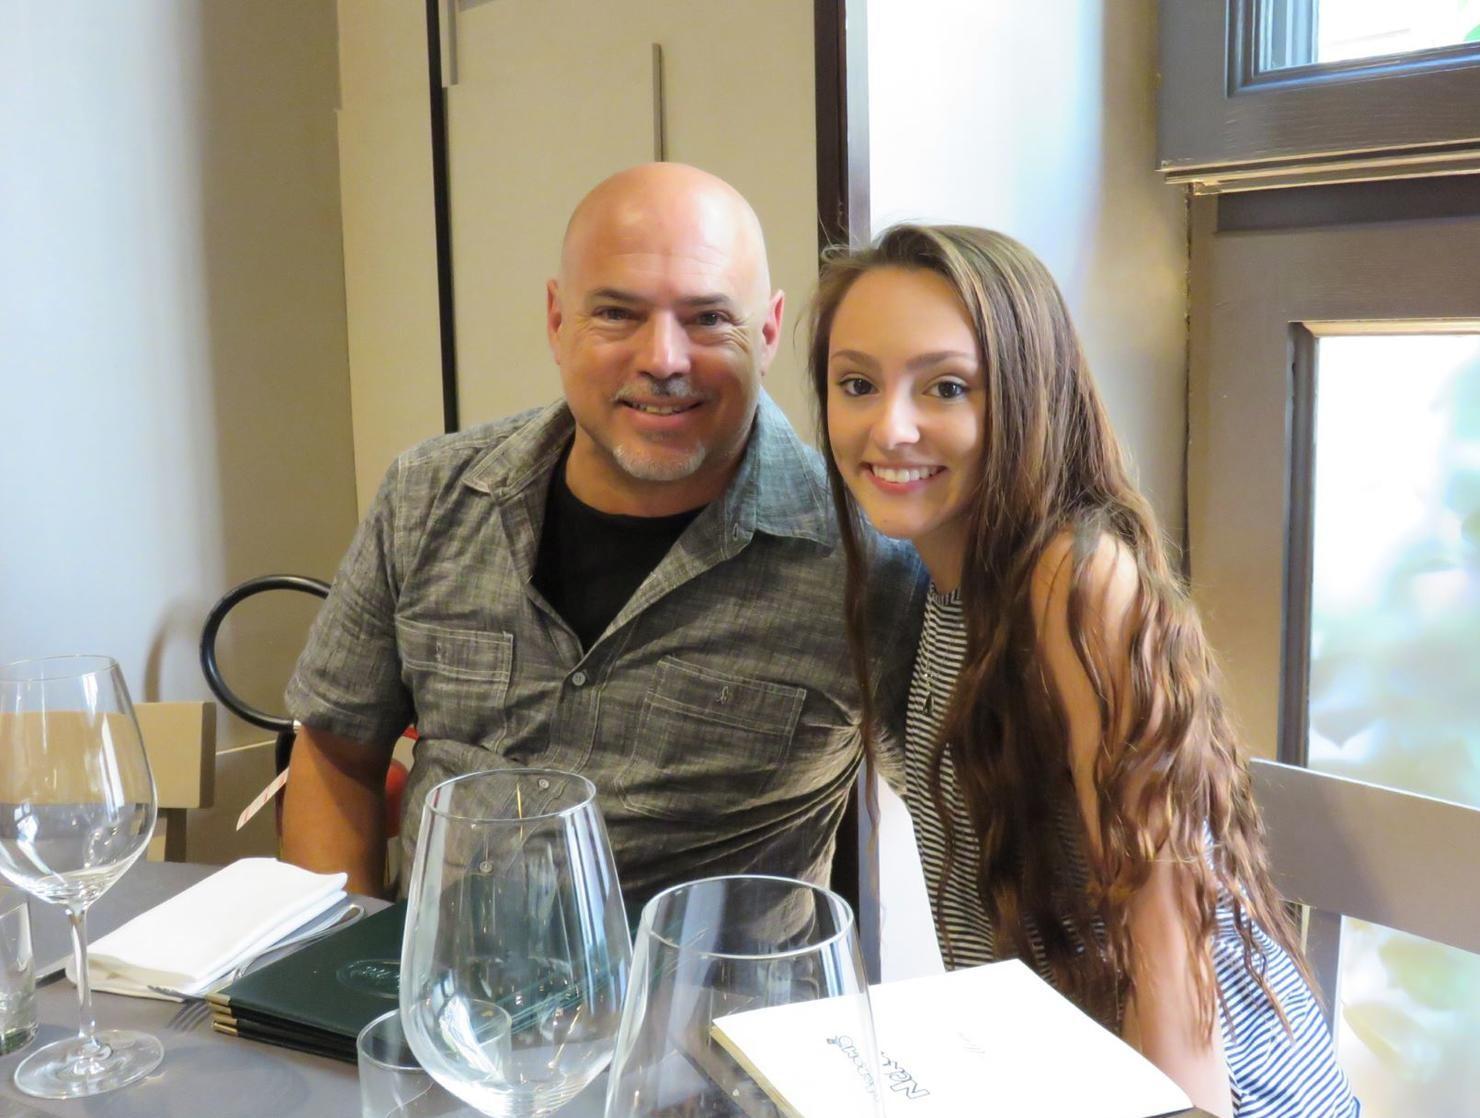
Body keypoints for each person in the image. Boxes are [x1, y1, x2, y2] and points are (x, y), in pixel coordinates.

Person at [808, 224, 1358, 1117]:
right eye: (857, 384)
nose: (890, 427)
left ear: (1027, 395)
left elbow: (1162, 914)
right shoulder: (930, 587)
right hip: (1065, 1081)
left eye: (946, 387)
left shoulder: (1075, 578)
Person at [280, 163, 924, 911]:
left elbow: (978, 814)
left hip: (708, 985)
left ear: (769, 331)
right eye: (617, 313)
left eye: (708, 318)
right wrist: (343, 963)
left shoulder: (870, 561)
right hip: (444, 976)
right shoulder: (429, 497)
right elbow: (337, 752)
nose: (663, 360)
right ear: (558, 321)